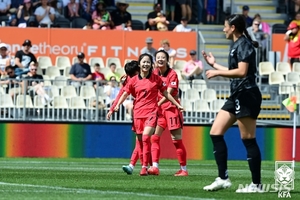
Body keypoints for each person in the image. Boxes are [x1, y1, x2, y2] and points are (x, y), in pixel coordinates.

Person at [201, 14, 262, 193]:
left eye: (225, 26)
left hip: (247, 94)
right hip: (237, 94)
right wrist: (214, 65)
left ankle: (256, 185)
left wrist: (217, 73)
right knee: (215, 132)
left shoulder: (243, 44)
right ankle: (223, 178)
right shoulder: (236, 45)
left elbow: (242, 72)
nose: (223, 29)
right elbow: (234, 70)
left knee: (248, 139)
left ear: (233, 27)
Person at [113, 53, 184, 176]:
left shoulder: (161, 77)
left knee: (150, 138)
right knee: (144, 140)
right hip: (140, 112)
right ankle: (149, 166)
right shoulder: (138, 78)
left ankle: (180, 168)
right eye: (143, 62)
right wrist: (117, 104)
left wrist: (177, 105)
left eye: (148, 62)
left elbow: (167, 93)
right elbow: (126, 91)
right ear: (140, 64)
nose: (145, 64)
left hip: (158, 111)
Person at [147, 49, 188, 176]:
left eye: (162, 57)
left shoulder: (172, 74)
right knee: (154, 137)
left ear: (167, 60)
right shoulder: (154, 73)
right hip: (160, 111)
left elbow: (168, 93)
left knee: (176, 140)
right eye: (158, 57)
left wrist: (157, 104)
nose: (160, 59)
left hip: (171, 109)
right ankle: (155, 167)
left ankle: (184, 169)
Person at [107, 60, 141, 174]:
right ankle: (141, 166)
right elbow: (122, 93)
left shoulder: (151, 77)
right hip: (139, 111)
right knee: (142, 140)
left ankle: (148, 166)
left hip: (153, 110)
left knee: (147, 140)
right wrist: (113, 108)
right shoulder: (130, 80)